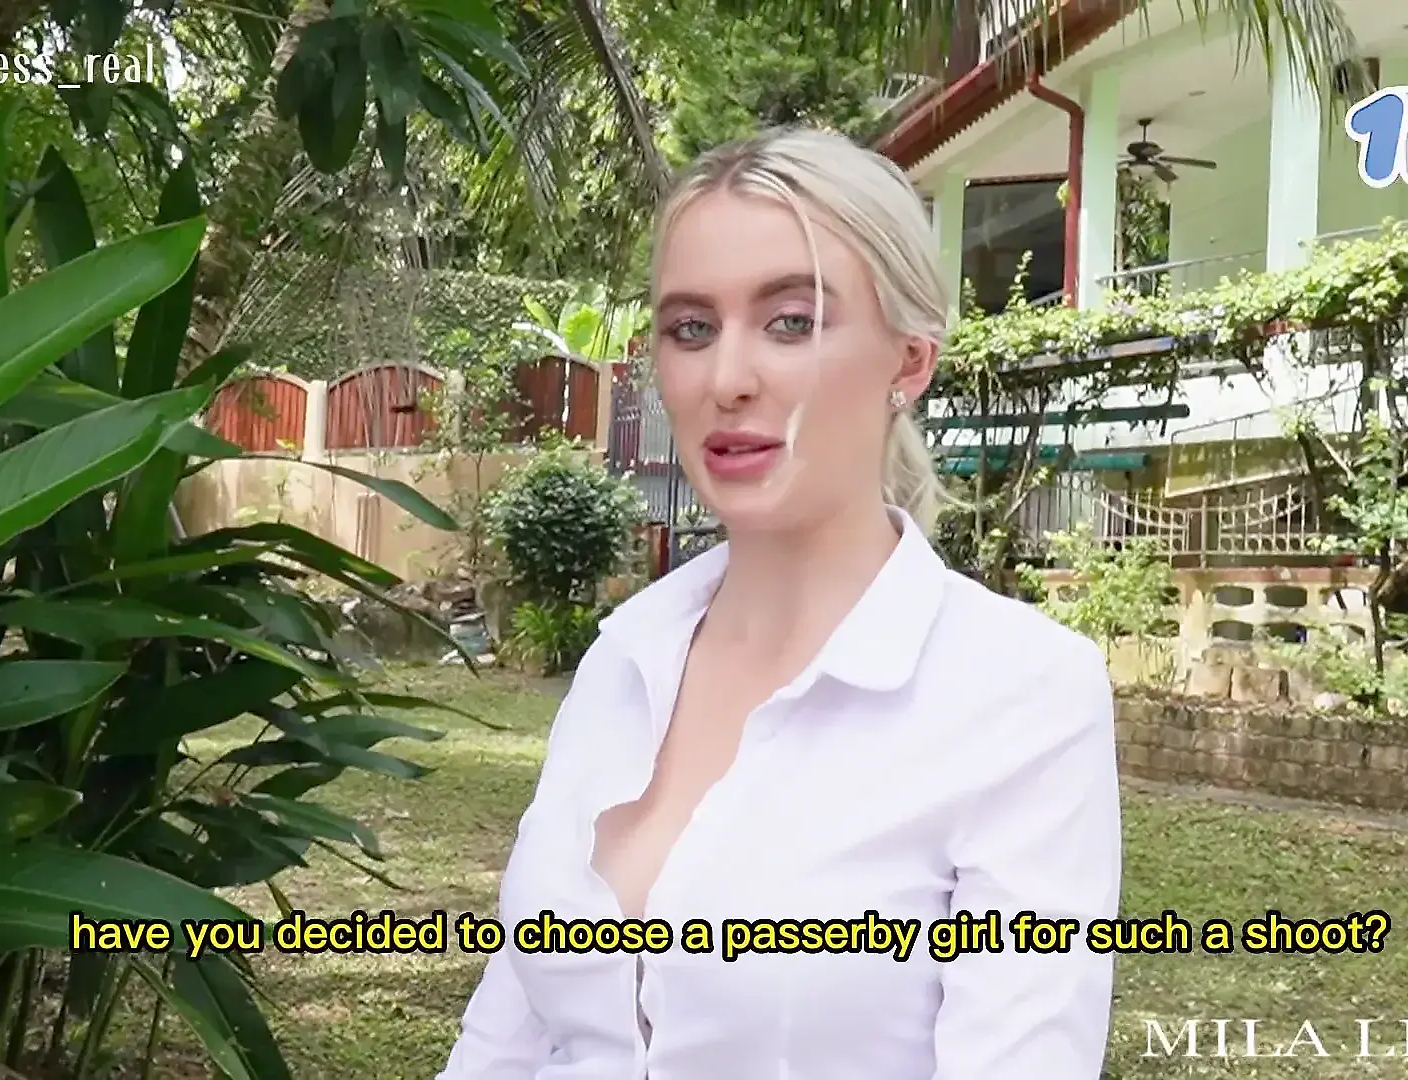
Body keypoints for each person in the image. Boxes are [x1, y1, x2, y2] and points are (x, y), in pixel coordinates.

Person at [436, 125, 1121, 1079]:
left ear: (908, 361)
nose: (728, 380)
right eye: (691, 329)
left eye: (792, 322)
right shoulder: (624, 659)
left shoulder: (1022, 694)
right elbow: (505, 1033)